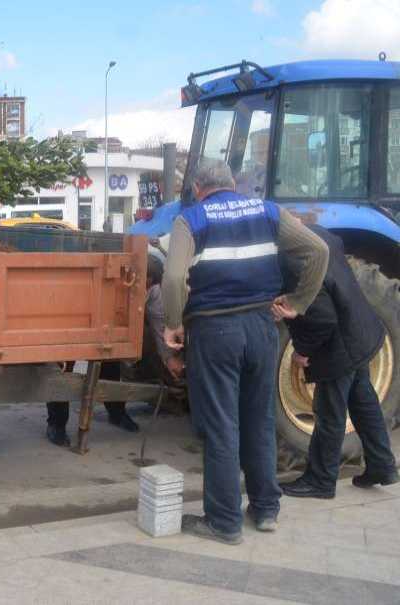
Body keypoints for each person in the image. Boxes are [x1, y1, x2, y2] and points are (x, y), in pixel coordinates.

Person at [163, 159, 328, 545]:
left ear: (199, 189)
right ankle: (266, 509)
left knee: (221, 424)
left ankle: (223, 521)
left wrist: (173, 323)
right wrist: (298, 302)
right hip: (261, 327)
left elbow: (173, 278)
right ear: (233, 184)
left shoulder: (192, 219)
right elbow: (318, 250)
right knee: (259, 419)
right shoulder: (268, 211)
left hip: (214, 330)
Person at [279, 226, 398, 498]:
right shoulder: (315, 234)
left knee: (329, 412)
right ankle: (383, 465)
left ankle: (321, 480)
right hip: (360, 330)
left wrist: (302, 351)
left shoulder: (292, 262)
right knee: (363, 400)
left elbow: (323, 320)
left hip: (339, 345)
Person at [45, 256, 180, 445]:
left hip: (109, 328)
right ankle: (56, 425)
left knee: (111, 364)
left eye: (149, 287)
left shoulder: (154, 290)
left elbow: (159, 324)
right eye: (144, 286)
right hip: (77, 323)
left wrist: (169, 357)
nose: (146, 291)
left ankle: (116, 413)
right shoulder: (97, 282)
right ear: (129, 277)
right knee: (64, 369)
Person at [235, 130, 269, 198]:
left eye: (262, 152)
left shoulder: (273, 179)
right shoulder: (245, 176)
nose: (262, 156)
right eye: (256, 151)